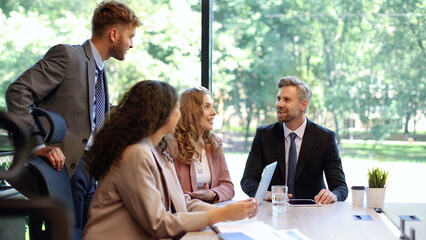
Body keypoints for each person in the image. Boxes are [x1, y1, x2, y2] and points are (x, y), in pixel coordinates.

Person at [5, 0, 142, 235]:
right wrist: (37, 143)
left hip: (90, 168)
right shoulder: (68, 56)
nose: (131, 44)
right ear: (113, 34)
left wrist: (141, 112)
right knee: (69, 234)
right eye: (130, 36)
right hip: (66, 167)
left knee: (89, 234)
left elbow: (96, 112)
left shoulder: (99, 68)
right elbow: (18, 92)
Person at [83, 80, 258, 239]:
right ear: (163, 114)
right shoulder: (136, 154)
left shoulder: (157, 150)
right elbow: (159, 224)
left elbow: (179, 203)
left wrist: (228, 210)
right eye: (177, 108)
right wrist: (220, 215)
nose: (181, 113)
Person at [240, 76, 348, 204]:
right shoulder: (264, 135)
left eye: (287, 100)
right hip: (275, 210)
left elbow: (340, 187)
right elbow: (248, 180)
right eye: (278, 99)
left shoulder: (324, 138)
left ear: (303, 104)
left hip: (312, 213)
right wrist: (265, 193)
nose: (279, 104)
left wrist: (333, 195)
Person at [166, 87, 234, 203]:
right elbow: (166, 192)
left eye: (212, 106)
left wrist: (212, 194)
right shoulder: (172, 144)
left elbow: (228, 186)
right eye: (206, 107)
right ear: (192, 111)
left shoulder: (215, 142)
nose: (214, 112)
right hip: (182, 215)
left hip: (210, 213)